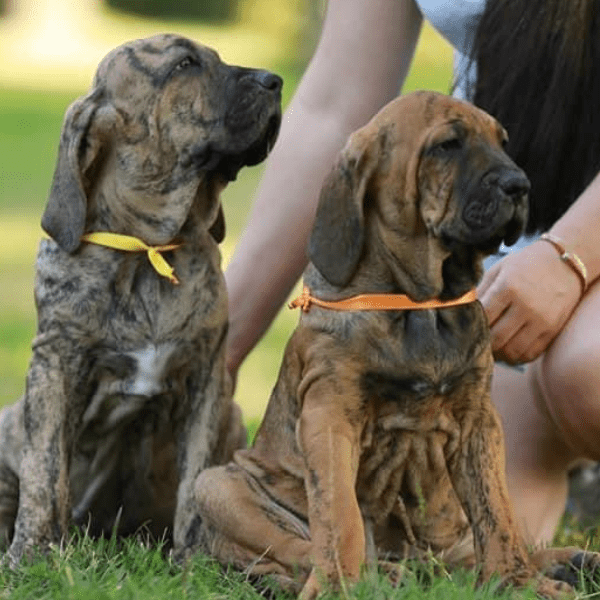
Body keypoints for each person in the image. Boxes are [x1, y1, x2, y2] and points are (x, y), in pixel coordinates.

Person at [224, 0, 600, 546]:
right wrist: (219, 345)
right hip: (501, 219)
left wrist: (568, 258)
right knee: (450, 540)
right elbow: (336, 105)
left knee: (586, 372)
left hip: (565, 246)